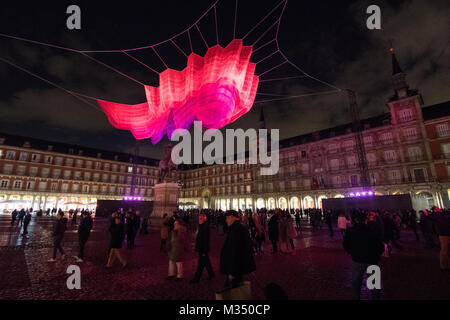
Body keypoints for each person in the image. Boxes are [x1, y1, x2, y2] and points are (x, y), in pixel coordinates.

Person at [343, 213, 384, 300]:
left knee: (356, 283)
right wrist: (377, 255)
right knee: (374, 286)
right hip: (372, 261)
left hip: (357, 260)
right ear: (366, 220)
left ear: (356, 220)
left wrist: (351, 252)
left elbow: (345, 244)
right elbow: (380, 245)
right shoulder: (372, 230)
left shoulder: (351, 231)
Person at [220, 210, 256, 288]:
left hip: (235, 268)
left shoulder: (236, 230)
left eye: (227, 218)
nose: (226, 220)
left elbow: (236, 252)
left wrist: (232, 271)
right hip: (237, 267)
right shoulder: (236, 228)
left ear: (233, 218)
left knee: (232, 289)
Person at [190, 213, 215, 283]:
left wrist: (204, 251)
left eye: (201, 218)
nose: (199, 219)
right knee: (206, 262)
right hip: (201, 247)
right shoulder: (201, 226)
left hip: (203, 248)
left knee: (200, 264)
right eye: (199, 218)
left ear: (204, 219)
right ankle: (211, 274)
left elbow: (206, 240)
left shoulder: (205, 227)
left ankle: (196, 278)